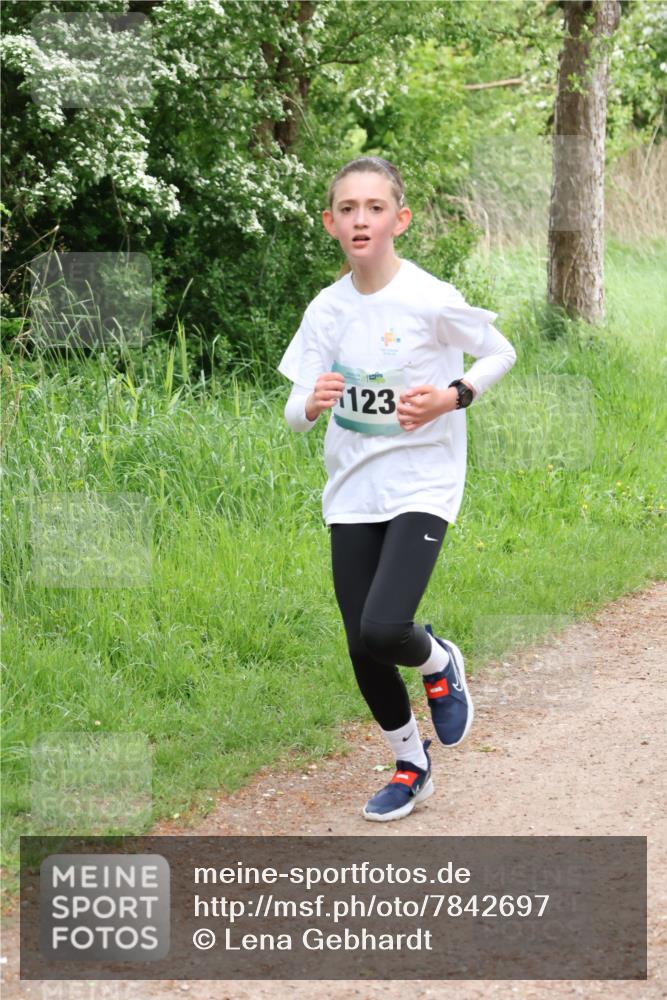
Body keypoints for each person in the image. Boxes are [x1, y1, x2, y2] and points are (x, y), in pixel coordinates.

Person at [277, 156, 517, 822]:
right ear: (330, 223)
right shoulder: (325, 311)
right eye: (347, 209)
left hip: (422, 479)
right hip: (352, 487)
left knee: (386, 626)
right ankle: (410, 764)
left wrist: (452, 395)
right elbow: (294, 413)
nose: (360, 219)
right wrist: (313, 403)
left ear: (398, 219)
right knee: (362, 643)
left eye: (373, 208)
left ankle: (438, 659)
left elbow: (499, 353)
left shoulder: (428, 297)